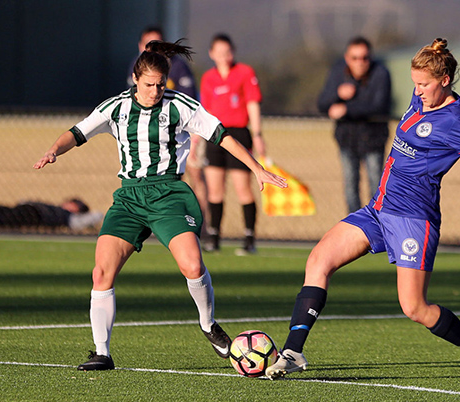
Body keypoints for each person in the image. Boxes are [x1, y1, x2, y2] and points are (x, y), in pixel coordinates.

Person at [34, 39, 286, 371]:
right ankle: (102, 352)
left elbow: (221, 135)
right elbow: (77, 133)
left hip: (168, 195)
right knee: (101, 272)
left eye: (160, 84)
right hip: (130, 197)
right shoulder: (116, 108)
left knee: (193, 266)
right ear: (136, 80)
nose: (155, 91)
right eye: (149, 85)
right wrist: (54, 149)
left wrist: (257, 168)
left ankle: (209, 325)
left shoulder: (179, 105)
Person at [266, 38, 460, 384]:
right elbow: (426, 70)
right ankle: (292, 352)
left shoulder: (456, 119)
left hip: (413, 219)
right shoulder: (421, 97)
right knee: (318, 261)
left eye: (424, 84)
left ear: (445, 81)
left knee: (414, 308)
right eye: (415, 83)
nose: (418, 91)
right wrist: (431, 52)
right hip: (379, 209)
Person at [128, 26, 209, 234]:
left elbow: (191, 105)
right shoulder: (136, 68)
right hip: (153, 136)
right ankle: (158, 223)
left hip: (183, 134)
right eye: (149, 45)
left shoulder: (178, 66)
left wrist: (195, 135)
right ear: (140, 47)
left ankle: (204, 226)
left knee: (195, 177)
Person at [200, 33, 266, 255]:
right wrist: (195, 141)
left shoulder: (245, 73)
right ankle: (214, 236)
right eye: (219, 52)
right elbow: (203, 112)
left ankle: (249, 237)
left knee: (242, 188)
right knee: (215, 190)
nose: (224, 56)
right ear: (211, 54)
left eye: (227, 52)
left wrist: (257, 134)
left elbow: (253, 104)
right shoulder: (208, 78)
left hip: (238, 133)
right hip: (214, 134)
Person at [317, 36, 392, 214]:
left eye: (365, 58)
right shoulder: (338, 73)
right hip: (347, 139)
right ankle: (355, 227)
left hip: (373, 139)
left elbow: (379, 106)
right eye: (355, 58)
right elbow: (322, 103)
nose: (360, 62)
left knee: (376, 186)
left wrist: (346, 108)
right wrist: (338, 94)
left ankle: (378, 228)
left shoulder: (380, 73)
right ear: (347, 58)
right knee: (350, 186)